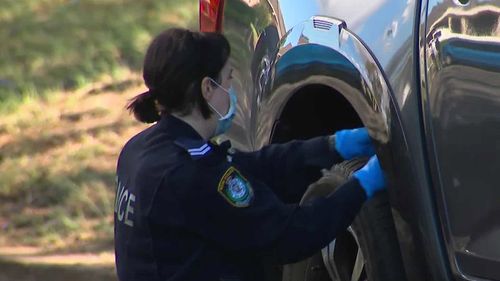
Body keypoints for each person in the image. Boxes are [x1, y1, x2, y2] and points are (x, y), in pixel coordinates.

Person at [114, 28, 386, 281]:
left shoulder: (140, 151)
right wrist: (362, 185)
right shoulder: (192, 175)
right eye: (228, 79)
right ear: (207, 88)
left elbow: (252, 168)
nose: (231, 90)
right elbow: (292, 236)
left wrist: (332, 146)